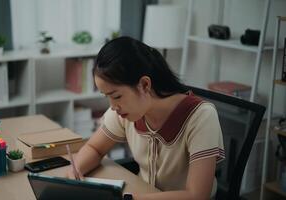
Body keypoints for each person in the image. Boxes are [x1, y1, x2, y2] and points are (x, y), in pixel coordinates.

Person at [67, 36, 225, 200]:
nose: (112, 106)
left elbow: (197, 195)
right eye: (107, 96)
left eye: (116, 96)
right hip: (141, 192)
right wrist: (76, 169)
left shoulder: (200, 116)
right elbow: (95, 148)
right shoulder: (126, 111)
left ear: (144, 85)